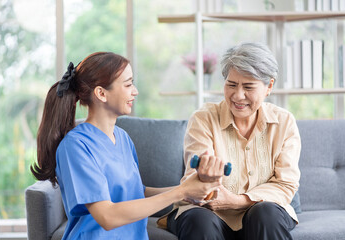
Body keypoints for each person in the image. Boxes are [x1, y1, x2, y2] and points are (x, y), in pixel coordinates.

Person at [30, 52, 224, 240]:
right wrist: (180, 192)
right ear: (101, 93)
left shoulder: (122, 137)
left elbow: (136, 191)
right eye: (128, 84)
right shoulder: (75, 147)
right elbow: (107, 216)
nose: (135, 91)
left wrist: (188, 190)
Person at [166, 42, 301, 240]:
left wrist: (239, 201)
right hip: (208, 213)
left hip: (262, 213)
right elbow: (194, 185)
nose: (238, 96)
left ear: (269, 86)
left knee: (266, 214)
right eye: (231, 84)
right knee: (200, 220)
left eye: (248, 87)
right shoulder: (204, 118)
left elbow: (286, 185)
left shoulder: (284, 122)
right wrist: (204, 179)